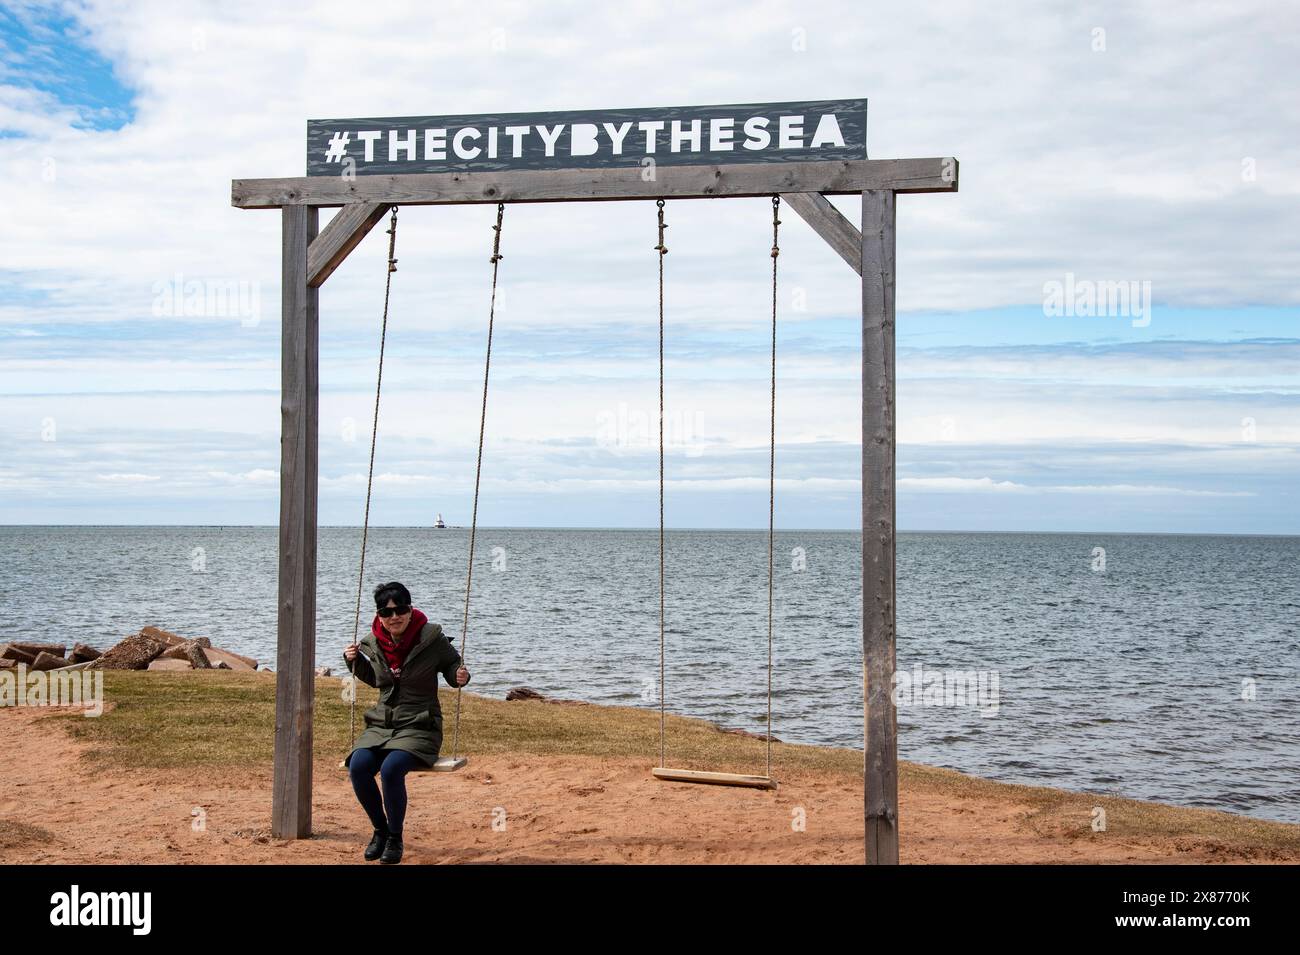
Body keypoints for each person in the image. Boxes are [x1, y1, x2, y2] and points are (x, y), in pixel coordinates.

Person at [343, 581, 470, 864]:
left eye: (400, 609)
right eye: (386, 613)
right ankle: (380, 830)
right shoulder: (373, 643)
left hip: (420, 724)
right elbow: (377, 680)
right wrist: (351, 661)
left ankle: (396, 838)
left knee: (391, 769)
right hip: (383, 723)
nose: (394, 617)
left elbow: (452, 666)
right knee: (358, 765)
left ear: (410, 610)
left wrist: (459, 675)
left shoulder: (431, 638)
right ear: (379, 615)